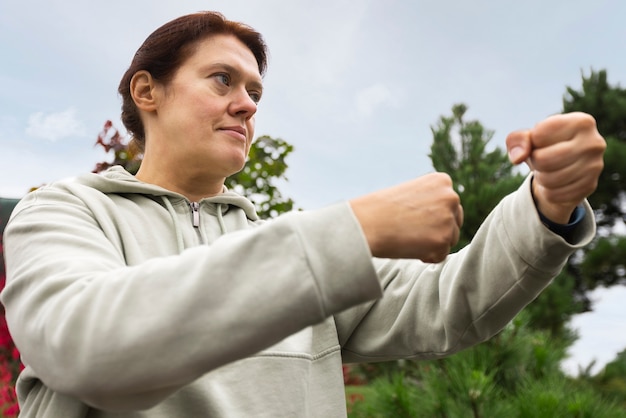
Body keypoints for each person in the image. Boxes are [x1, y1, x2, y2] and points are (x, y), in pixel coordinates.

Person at [2, 11, 605, 418]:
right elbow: (88, 345)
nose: (245, 105)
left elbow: (454, 301)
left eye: (256, 93)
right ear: (146, 92)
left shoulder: (290, 247)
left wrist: (547, 205)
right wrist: (356, 228)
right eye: (222, 80)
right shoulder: (61, 213)